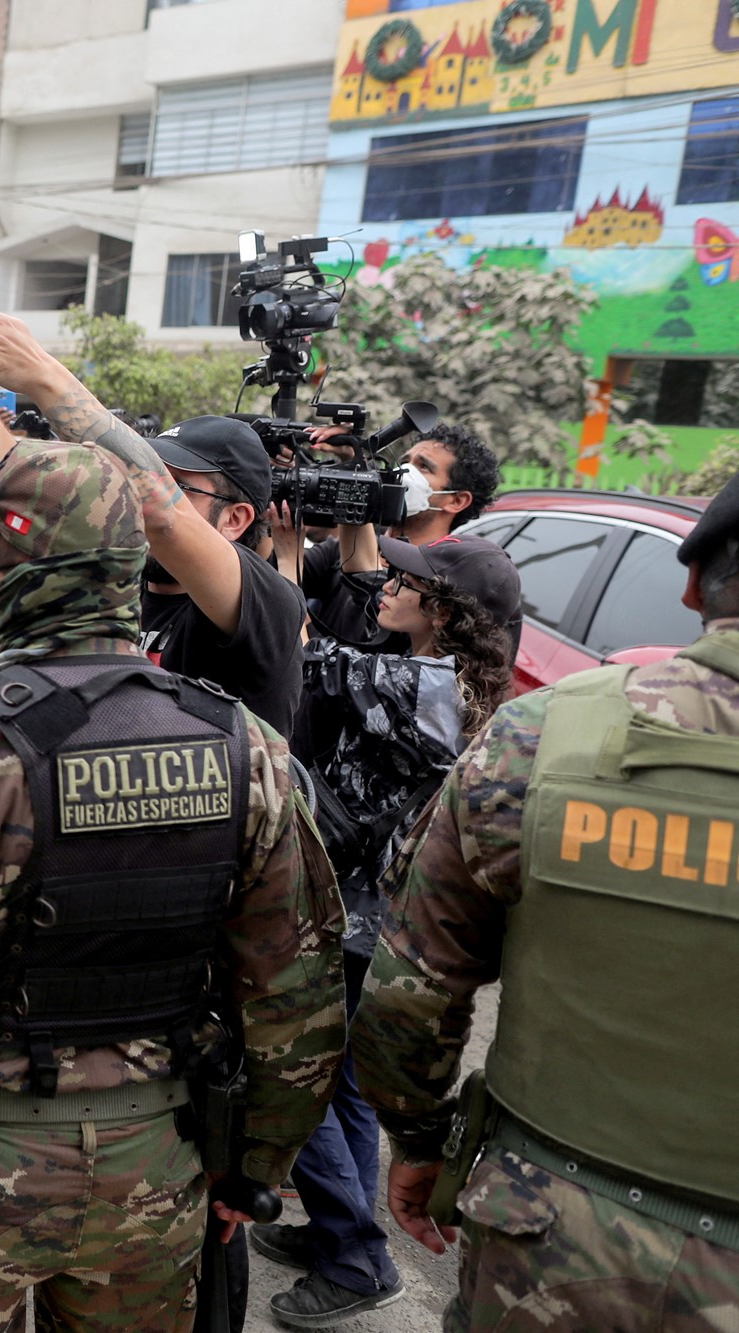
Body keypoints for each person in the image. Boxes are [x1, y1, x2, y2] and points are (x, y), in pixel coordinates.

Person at [0, 439, 344, 1330]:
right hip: (160, 1164)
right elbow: (297, 995)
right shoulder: (244, 747)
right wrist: (257, 1164)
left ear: (19, 569)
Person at [350, 472, 739, 1331]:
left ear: (689, 586)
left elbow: (410, 989)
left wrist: (419, 1141)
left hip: (549, 1236)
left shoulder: (542, 734)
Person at [256, 534, 519, 1327]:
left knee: (310, 1081)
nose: (386, 587)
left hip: (363, 916)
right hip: (374, 915)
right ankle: (338, 1228)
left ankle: (358, 1256)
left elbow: (302, 647)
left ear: (443, 609)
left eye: (407, 582)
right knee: (350, 1087)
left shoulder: (424, 686)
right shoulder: (443, 678)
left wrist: (284, 550)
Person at [0, 288, 305, 739]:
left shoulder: (268, 604)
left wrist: (41, 374)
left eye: (181, 484)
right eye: (137, 466)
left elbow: (164, 514)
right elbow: (6, 484)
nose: (134, 487)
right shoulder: (107, 586)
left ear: (236, 519)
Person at [299, 423, 506, 652]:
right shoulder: (340, 549)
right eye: (406, 460)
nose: (405, 472)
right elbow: (269, 573)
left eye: (424, 467)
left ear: (456, 501)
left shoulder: (446, 585)